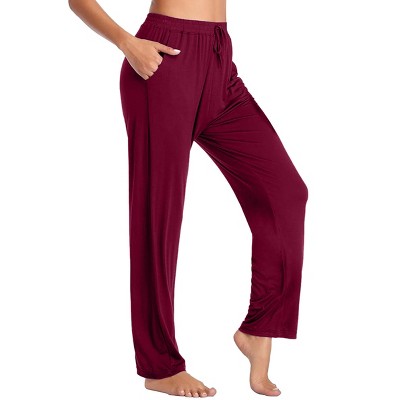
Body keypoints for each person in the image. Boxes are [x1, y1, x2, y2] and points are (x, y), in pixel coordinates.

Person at [68, 0, 308, 397]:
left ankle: (259, 328)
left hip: (219, 60)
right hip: (164, 58)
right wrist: (127, 43)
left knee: (286, 193)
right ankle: (159, 366)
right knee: (158, 218)